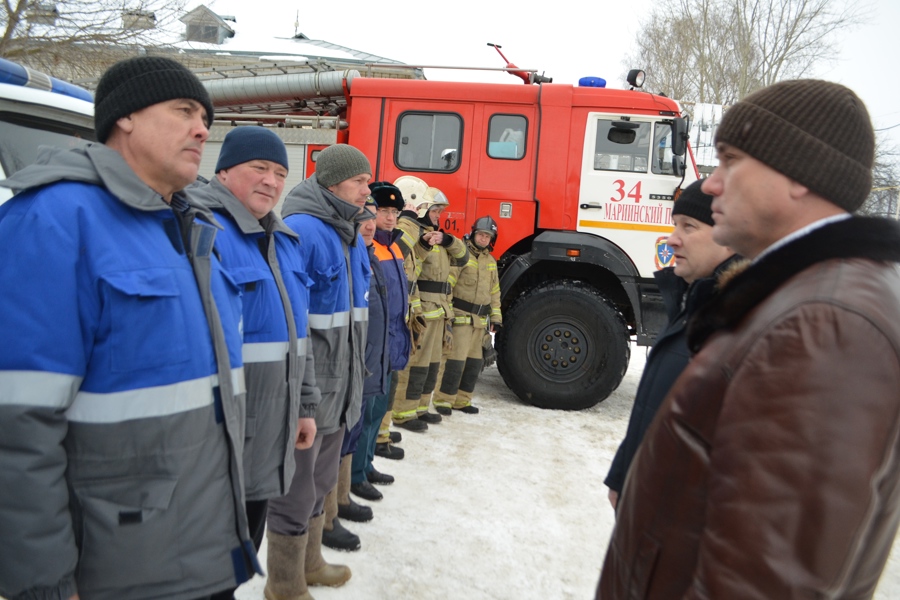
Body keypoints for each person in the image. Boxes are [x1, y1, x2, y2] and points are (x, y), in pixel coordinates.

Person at [597, 79, 900, 599]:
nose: (712, 184)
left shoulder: (824, 324)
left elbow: (766, 582)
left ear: (799, 176)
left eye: (730, 161)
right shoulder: (810, 298)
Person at [0, 56, 260, 600]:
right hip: (116, 569)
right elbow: (16, 424)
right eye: (184, 110)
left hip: (202, 551)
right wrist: (43, 579)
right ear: (125, 118)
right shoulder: (52, 219)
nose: (202, 128)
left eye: (205, 117)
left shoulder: (191, 229)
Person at [187, 127, 320, 594]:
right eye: (258, 168)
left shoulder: (281, 240)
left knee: (240, 560)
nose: (271, 181)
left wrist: (304, 405)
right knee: (207, 572)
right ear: (223, 171)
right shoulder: (204, 230)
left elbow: (295, 337)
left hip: (269, 435)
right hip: (221, 445)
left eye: (280, 172)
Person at [264, 143, 370, 599]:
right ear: (332, 183)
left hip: (340, 387)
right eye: (360, 181)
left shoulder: (345, 230)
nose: (368, 189)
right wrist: (304, 394)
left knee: (320, 483)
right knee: (295, 487)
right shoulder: (305, 230)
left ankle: (309, 563)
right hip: (312, 389)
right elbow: (292, 321)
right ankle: (283, 584)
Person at [603, 179, 738, 510]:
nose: (672, 239)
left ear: (730, 237)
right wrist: (622, 476)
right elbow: (652, 408)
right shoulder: (689, 305)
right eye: (674, 225)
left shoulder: (737, 325)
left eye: (688, 226)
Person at [321, 202, 383, 552]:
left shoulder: (367, 250)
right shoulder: (335, 244)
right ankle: (330, 513)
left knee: (351, 429)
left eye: (372, 217)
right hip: (337, 365)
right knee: (332, 444)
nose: (371, 224)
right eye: (365, 217)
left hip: (361, 357)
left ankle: (340, 499)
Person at [390, 185, 469, 432]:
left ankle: (421, 407)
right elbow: (408, 266)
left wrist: (447, 240)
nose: (438, 215)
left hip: (440, 310)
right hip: (422, 308)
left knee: (432, 364)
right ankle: (403, 412)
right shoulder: (414, 234)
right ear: (423, 210)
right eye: (435, 210)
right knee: (415, 364)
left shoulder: (438, 236)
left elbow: (464, 258)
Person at [350, 183, 411, 498]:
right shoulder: (368, 248)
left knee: (378, 410)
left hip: (389, 343)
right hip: (374, 344)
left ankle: (367, 463)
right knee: (365, 410)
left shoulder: (396, 248)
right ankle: (355, 474)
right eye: (380, 211)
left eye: (392, 212)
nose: (386, 218)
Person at [433, 216, 503, 415]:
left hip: (480, 323)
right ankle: (444, 400)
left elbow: (495, 292)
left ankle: (462, 401)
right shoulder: (462, 255)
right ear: (473, 234)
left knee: (473, 364)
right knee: (454, 361)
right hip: (461, 318)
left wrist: (496, 318)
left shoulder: (491, 261)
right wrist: (447, 313)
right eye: (481, 234)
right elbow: (448, 285)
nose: (483, 239)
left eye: (487, 236)